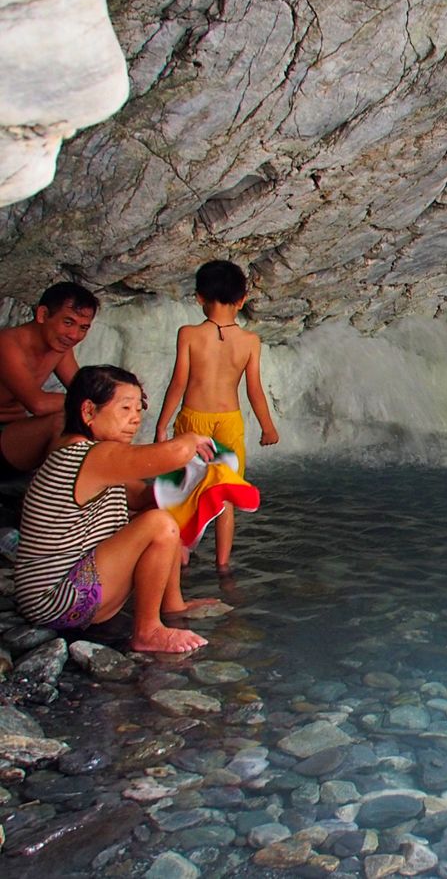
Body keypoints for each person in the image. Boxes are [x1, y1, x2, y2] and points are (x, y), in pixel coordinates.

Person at [15, 365, 220, 652]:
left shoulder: (96, 456)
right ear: (88, 412)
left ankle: (173, 606)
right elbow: (175, 453)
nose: (135, 419)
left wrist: (199, 488)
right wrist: (191, 439)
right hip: (55, 601)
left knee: (164, 511)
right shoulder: (89, 454)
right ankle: (148, 632)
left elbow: (143, 497)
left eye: (138, 409)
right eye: (125, 408)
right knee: (160, 524)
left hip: (66, 598)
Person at [154, 260, 279, 569]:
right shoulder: (251, 341)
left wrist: (162, 426)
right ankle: (223, 564)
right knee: (225, 493)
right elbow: (254, 390)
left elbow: (179, 383)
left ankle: (179, 553)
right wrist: (268, 427)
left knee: (186, 488)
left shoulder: (189, 334)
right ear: (242, 300)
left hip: (194, 420)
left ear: (199, 297)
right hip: (231, 422)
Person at [0, 282, 99, 476]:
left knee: (100, 418)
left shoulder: (59, 348)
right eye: (68, 323)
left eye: (83, 328)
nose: (74, 335)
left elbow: (85, 389)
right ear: (43, 315)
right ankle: (53, 498)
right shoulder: (7, 344)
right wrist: (98, 403)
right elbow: (37, 404)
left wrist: (121, 395)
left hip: (15, 435)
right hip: (4, 440)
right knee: (64, 420)